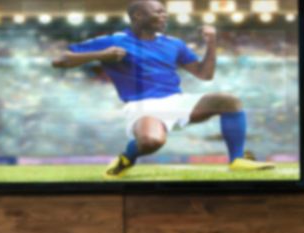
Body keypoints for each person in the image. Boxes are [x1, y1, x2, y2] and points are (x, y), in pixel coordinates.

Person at [54, 0, 275, 178]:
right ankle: (126, 158)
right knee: (151, 142)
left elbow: (205, 75)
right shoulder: (114, 40)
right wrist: (101, 55)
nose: (164, 15)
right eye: (158, 11)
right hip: (142, 106)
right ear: (138, 16)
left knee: (229, 101)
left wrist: (211, 44)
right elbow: (59, 60)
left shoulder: (173, 43)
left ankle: (236, 160)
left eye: (165, 12)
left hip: (177, 101)